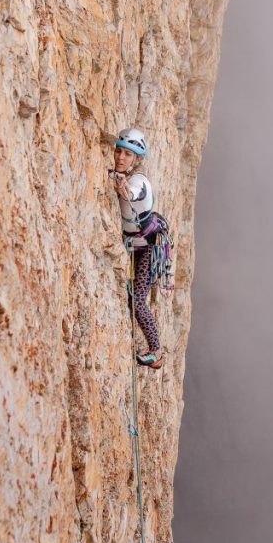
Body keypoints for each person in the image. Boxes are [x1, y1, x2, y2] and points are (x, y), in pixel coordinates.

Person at [112, 127, 166, 368]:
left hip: (148, 248)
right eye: (119, 151)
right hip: (137, 244)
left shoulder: (139, 181)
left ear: (137, 159)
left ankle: (157, 351)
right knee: (134, 297)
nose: (121, 157)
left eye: (128, 155)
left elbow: (133, 193)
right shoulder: (122, 175)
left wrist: (123, 188)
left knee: (137, 301)